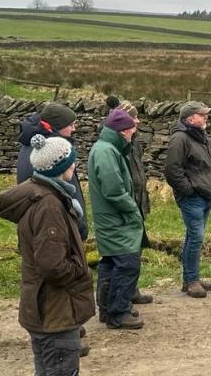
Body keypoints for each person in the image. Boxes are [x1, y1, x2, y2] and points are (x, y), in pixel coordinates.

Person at [0, 134, 107, 376]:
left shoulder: (39, 197)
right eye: (72, 161)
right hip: (55, 310)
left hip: (40, 308)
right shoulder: (50, 207)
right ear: (62, 167)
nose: (75, 167)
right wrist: (80, 269)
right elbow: (51, 262)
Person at [86, 106, 145, 329]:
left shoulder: (107, 148)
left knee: (110, 263)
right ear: (122, 131)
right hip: (115, 221)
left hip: (111, 220)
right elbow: (114, 190)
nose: (133, 133)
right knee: (127, 264)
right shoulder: (106, 152)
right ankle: (118, 312)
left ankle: (107, 309)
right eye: (131, 129)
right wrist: (133, 210)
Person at [164, 101, 211, 298]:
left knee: (194, 237)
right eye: (201, 114)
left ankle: (191, 278)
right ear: (190, 118)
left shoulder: (199, 135)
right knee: (196, 237)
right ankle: (192, 280)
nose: (205, 117)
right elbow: (172, 170)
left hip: (204, 195)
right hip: (193, 197)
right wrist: (188, 190)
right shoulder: (180, 138)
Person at [108, 98, 153, 307]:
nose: (138, 122)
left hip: (137, 201)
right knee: (126, 254)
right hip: (128, 203)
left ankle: (132, 290)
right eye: (134, 118)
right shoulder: (117, 146)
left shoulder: (134, 143)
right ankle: (123, 296)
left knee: (136, 250)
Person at [16, 102, 86, 232]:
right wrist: (79, 228)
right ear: (57, 126)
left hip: (36, 224)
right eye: (70, 125)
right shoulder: (51, 152)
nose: (74, 129)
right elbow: (63, 193)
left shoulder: (33, 144)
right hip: (54, 227)